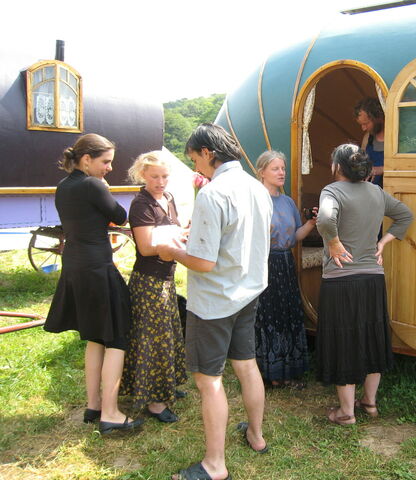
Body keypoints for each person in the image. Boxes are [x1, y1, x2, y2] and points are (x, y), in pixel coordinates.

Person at [158, 124, 272, 480]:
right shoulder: (258, 187)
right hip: (248, 292)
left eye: (195, 158)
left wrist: (172, 251)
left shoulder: (213, 192)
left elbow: (203, 262)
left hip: (214, 301)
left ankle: (214, 465)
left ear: (208, 153)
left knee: (209, 381)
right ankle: (256, 435)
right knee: (247, 365)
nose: (195, 166)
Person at [44, 134, 143, 435]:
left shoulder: (64, 186)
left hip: (75, 265)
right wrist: (105, 187)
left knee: (95, 337)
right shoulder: (93, 185)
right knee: (116, 338)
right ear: (86, 159)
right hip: (97, 268)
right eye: (106, 162)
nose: (109, 168)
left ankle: (93, 405)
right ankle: (111, 414)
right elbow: (120, 216)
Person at [315, 143, 413, 426]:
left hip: (340, 280)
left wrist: (334, 243)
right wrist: (383, 243)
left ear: (337, 166)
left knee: (344, 342)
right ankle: (369, 402)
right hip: (373, 279)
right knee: (372, 338)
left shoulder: (332, 191)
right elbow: (405, 215)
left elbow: (325, 218)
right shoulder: (376, 192)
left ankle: (346, 413)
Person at [120, 151, 188, 423]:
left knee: (168, 333)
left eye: (165, 176)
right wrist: (174, 243)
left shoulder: (168, 198)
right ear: (142, 176)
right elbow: (146, 247)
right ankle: (155, 402)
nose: (160, 182)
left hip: (167, 278)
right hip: (148, 281)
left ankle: (166, 385)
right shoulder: (141, 204)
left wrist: (183, 234)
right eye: (155, 177)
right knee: (153, 340)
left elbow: (174, 229)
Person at [254, 150, 316, 389]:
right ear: (261, 172)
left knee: (288, 315)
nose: (281, 173)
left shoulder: (288, 202)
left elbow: (295, 236)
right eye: (275, 169)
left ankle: (288, 369)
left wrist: (311, 223)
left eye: (283, 168)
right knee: (268, 316)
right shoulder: (255, 201)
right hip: (263, 264)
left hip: (285, 263)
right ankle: (270, 371)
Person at [354, 97, 385, 187]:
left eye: (366, 123)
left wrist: (381, 169)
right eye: (361, 125)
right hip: (371, 191)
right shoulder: (367, 138)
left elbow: (407, 165)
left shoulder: (395, 138)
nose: (363, 128)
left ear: (378, 117)